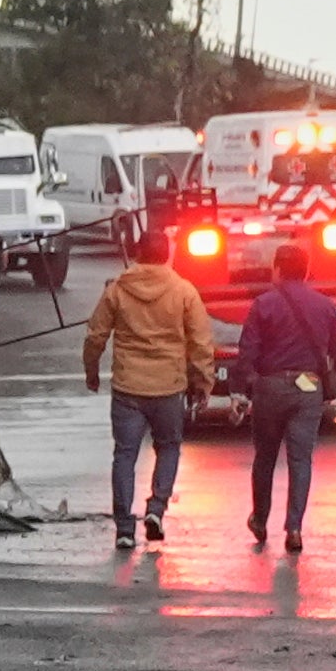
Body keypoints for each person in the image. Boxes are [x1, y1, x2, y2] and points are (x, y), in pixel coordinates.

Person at [80, 234, 220, 550]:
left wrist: (91, 372)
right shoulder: (184, 291)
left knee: (125, 455)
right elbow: (200, 343)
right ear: (168, 254)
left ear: (138, 252)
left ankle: (125, 529)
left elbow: (96, 336)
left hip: (128, 386)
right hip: (169, 386)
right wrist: (203, 383)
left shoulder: (117, 289)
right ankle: (156, 508)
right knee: (168, 447)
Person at [232, 237, 336, 552]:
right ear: (307, 271)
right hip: (308, 386)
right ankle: (294, 528)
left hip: (270, 387)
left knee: (265, 458)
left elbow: (248, 351)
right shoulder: (325, 305)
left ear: (278, 270)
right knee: (301, 460)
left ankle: (260, 519)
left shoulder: (264, 304)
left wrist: (242, 389)